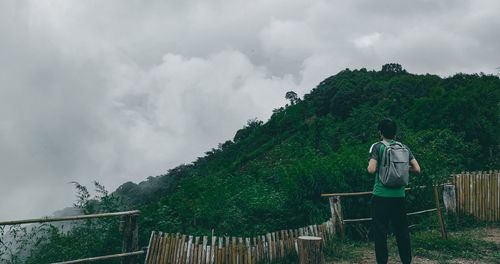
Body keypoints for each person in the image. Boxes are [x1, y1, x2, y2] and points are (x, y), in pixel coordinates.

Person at [367, 118, 420, 264]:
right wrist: (400, 169)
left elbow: (371, 170)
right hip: (399, 196)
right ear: (395, 132)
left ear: (380, 133)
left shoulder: (377, 147)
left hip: (380, 196)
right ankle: (406, 261)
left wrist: (384, 168)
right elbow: (417, 169)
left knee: (380, 234)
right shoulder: (404, 147)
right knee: (402, 232)